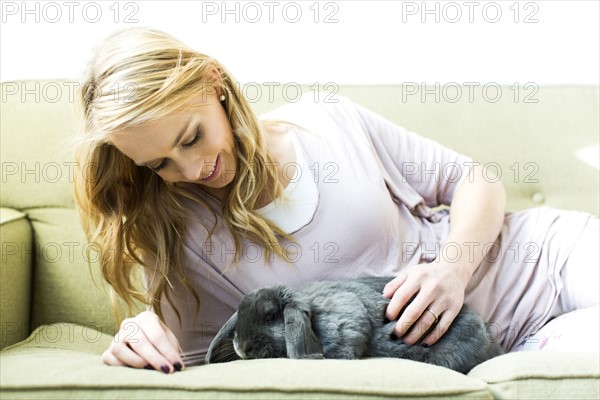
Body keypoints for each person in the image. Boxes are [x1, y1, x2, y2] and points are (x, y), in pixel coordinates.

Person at [74, 27, 599, 373]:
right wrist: (145, 330)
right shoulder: (178, 232)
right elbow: (200, 359)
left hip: (544, 259)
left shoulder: (327, 121)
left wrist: (452, 271)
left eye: (190, 137)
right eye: (159, 164)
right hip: (492, 352)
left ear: (214, 83)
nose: (190, 170)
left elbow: (473, 179)